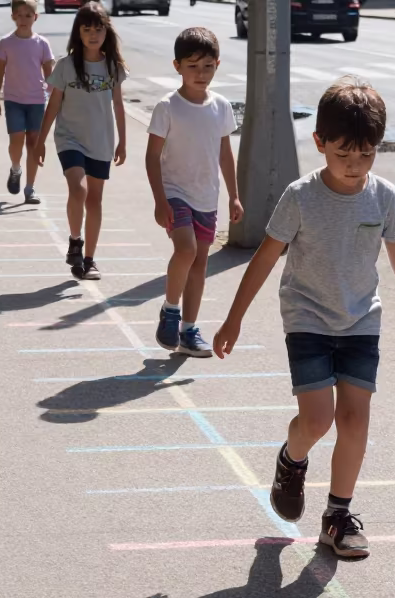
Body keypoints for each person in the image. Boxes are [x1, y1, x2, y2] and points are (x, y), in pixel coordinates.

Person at [213, 79, 395, 559]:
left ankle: (337, 516)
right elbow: (265, 257)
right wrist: (233, 318)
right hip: (308, 318)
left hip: (362, 320)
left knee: (355, 421)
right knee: (317, 420)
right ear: (319, 142)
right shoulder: (300, 197)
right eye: (343, 154)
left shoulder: (384, 197)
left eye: (366, 155)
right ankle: (292, 457)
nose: (354, 166)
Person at [146, 28, 242, 358]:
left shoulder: (221, 107)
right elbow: (152, 156)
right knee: (185, 250)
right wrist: (160, 200)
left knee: (200, 265)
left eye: (207, 67)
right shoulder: (167, 107)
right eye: (192, 66)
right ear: (177, 66)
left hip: (207, 196)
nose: (200, 74)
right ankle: (170, 311)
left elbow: (225, 153)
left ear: (217, 64)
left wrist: (234, 194)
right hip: (175, 193)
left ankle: (188, 330)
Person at [35, 2, 128, 281]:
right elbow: (53, 106)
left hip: (100, 141)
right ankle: (75, 241)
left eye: (98, 29)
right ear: (78, 32)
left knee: (95, 200)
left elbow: (119, 106)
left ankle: (89, 260)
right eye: (86, 29)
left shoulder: (113, 67)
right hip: (69, 139)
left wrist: (123, 142)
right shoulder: (66, 66)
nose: (92, 34)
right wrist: (40, 141)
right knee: (79, 190)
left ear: (106, 32)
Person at [0, 0, 54, 205]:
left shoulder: (42, 43)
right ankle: (15, 168)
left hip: (37, 100)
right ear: (13, 17)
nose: (24, 19)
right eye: (19, 15)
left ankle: (30, 188)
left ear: (35, 17)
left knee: (33, 143)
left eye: (29, 15)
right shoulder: (6, 42)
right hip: (13, 100)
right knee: (16, 140)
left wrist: (52, 95)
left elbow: (49, 73)